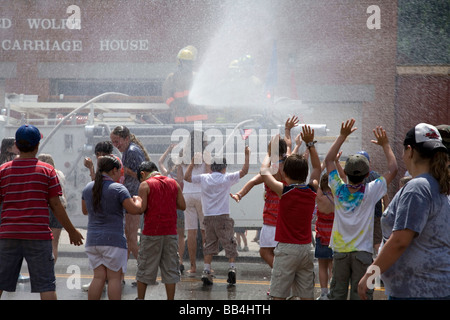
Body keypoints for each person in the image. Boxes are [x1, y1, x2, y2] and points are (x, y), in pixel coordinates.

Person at [358, 123, 450, 300]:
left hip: (416, 291)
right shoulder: (438, 185)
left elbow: (400, 240)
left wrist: (370, 275)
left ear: (410, 151)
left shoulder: (417, 188)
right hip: (433, 288)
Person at [0, 124, 83, 300]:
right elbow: (55, 204)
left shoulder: (3, 170)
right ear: (38, 145)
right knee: (46, 286)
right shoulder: (46, 170)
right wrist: (72, 231)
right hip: (38, 236)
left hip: (8, 235)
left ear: (16, 145)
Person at [324, 118, 397, 300]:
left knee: (337, 295)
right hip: (363, 254)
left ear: (345, 173)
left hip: (340, 252)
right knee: (363, 295)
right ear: (367, 174)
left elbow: (328, 160)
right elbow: (393, 169)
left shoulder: (338, 189)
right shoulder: (371, 191)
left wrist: (342, 136)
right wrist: (385, 144)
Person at [260, 124, 321, 300]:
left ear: (284, 175)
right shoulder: (311, 190)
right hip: (306, 249)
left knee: (277, 295)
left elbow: (264, 171)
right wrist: (310, 144)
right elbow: (317, 168)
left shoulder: (284, 191)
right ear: (305, 174)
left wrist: (270, 152)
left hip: (287, 249)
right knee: (306, 296)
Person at [230, 116, 298, 268]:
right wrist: (288, 130)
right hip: (288, 217)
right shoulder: (290, 163)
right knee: (283, 252)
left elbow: (253, 181)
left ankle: (281, 273)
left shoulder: (271, 169)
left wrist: (239, 194)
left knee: (266, 252)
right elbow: (288, 143)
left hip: (272, 218)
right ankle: (282, 276)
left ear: (272, 151)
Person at [184, 146, 250, 286]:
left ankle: (206, 271)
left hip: (208, 218)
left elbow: (186, 178)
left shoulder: (204, 178)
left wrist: (192, 163)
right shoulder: (226, 178)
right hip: (223, 217)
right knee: (229, 242)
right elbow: (244, 171)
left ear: (212, 167)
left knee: (209, 244)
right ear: (224, 168)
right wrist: (247, 155)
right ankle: (231, 269)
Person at [82, 156, 143, 300]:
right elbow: (134, 210)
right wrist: (138, 200)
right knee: (115, 278)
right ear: (114, 170)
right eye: (119, 171)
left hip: (93, 241)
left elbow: (85, 211)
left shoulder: (88, 187)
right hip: (113, 241)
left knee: (98, 278)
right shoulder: (118, 189)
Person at [136, 161, 186, 300]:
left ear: (143, 174)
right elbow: (182, 205)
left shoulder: (145, 184)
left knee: (145, 268)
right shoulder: (173, 183)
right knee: (170, 270)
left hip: (151, 232)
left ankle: (140, 298)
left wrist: (135, 200)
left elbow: (141, 209)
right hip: (170, 233)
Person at [110, 126, 149, 270]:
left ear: (126, 138)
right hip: (132, 195)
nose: (116, 145)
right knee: (128, 238)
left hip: (134, 197)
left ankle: (144, 270)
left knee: (131, 238)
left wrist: (126, 171)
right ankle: (120, 271)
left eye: (117, 141)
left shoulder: (132, 151)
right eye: (113, 142)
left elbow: (143, 175)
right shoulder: (129, 150)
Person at [177, 130, 210, 274]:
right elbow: (208, 175)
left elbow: (179, 179)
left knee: (191, 232)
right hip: (201, 194)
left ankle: (192, 266)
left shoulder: (181, 155)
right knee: (205, 232)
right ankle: (207, 267)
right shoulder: (205, 155)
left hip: (187, 195)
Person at [159, 143, 186, 273]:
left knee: (169, 235)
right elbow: (181, 178)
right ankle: (180, 260)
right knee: (181, 236)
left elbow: (160, 162)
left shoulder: (166, 175)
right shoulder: (179, 176)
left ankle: (171, 260)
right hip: (179, 208)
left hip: (168, 209)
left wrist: (168, 149)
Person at [356, 150, 390, 254]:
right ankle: (381, 263)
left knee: (361, 240)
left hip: (361, 215)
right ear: (369, 162)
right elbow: (385, 196)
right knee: (376, 241)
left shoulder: (355, 178)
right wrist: (387, 211)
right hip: (376, 215)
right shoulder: (377, 176)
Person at [37, 153, 67, 264]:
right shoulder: (60, 174)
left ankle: (41, 269)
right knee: (54, 243)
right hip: (60, 208)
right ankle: (51, 269)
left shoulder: (40, 172)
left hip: (45, 208)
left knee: (41, 242)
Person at [162, 45, 201, 123]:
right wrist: (175, 105)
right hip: (180, 118)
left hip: (196, 117)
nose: (189, 64)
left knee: (197, 135)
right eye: (186, 62)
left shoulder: (197, 77)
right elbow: (166, 96)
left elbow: (203, 93)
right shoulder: (172, 78)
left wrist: (194, 103)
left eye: (190, 62)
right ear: (180, 62)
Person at [314, 172, 335, 300]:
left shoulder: (320, 198)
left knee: (322, 265)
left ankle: (323, 294)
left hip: (321, 235)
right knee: (332, 265)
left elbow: (314, 181)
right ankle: (333, 292)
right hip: (333, 237)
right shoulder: (337, 198)